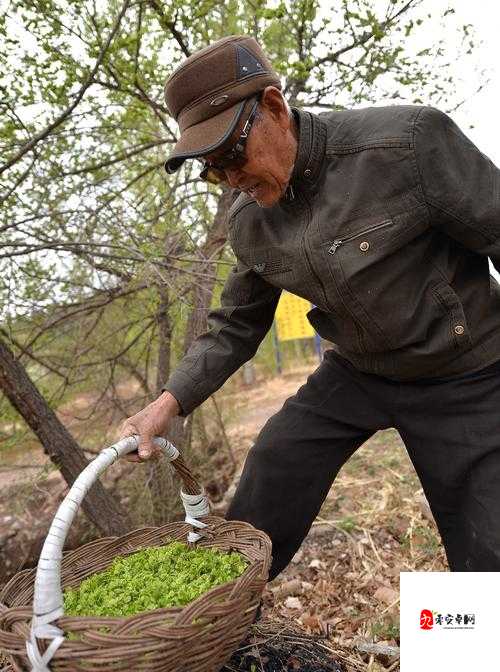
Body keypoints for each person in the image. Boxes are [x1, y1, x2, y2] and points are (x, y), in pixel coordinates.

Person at [119, 34, 500, 579]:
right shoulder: (249, 223)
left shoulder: (407, 145)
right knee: (272, 473)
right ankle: (216, 627)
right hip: (358, 373)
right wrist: (168, 403)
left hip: (467, 372)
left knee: (488, 551)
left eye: (231, 154)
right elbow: (235, 326)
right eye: (211, 168)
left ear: (275, 107)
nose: (230, 180)